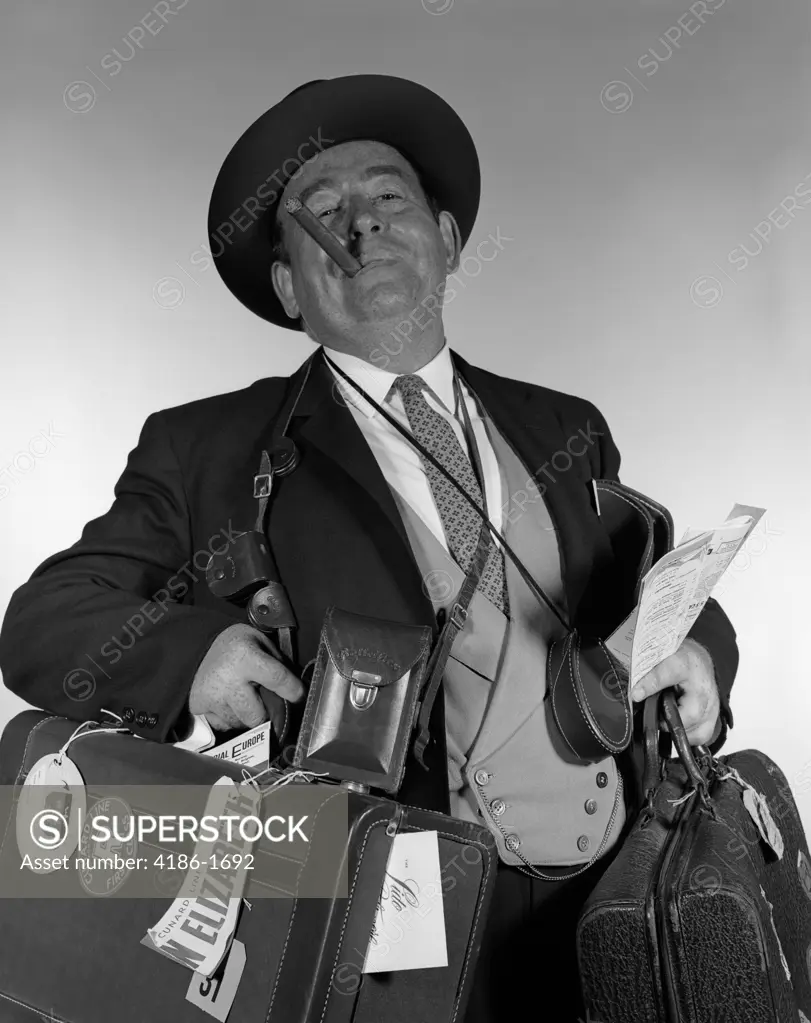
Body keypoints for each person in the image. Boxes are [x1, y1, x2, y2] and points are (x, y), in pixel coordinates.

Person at [0, 74, 737, 1021]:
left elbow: (648, 590)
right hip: (376, 922)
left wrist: (701, 650)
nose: (361, 225)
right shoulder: (205, 448)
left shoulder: (565, 424)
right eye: (321, 215)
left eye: (389, 198)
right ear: (284, 286)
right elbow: (42, 624)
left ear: (447, 240)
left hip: (609, 894)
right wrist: (194, 657)